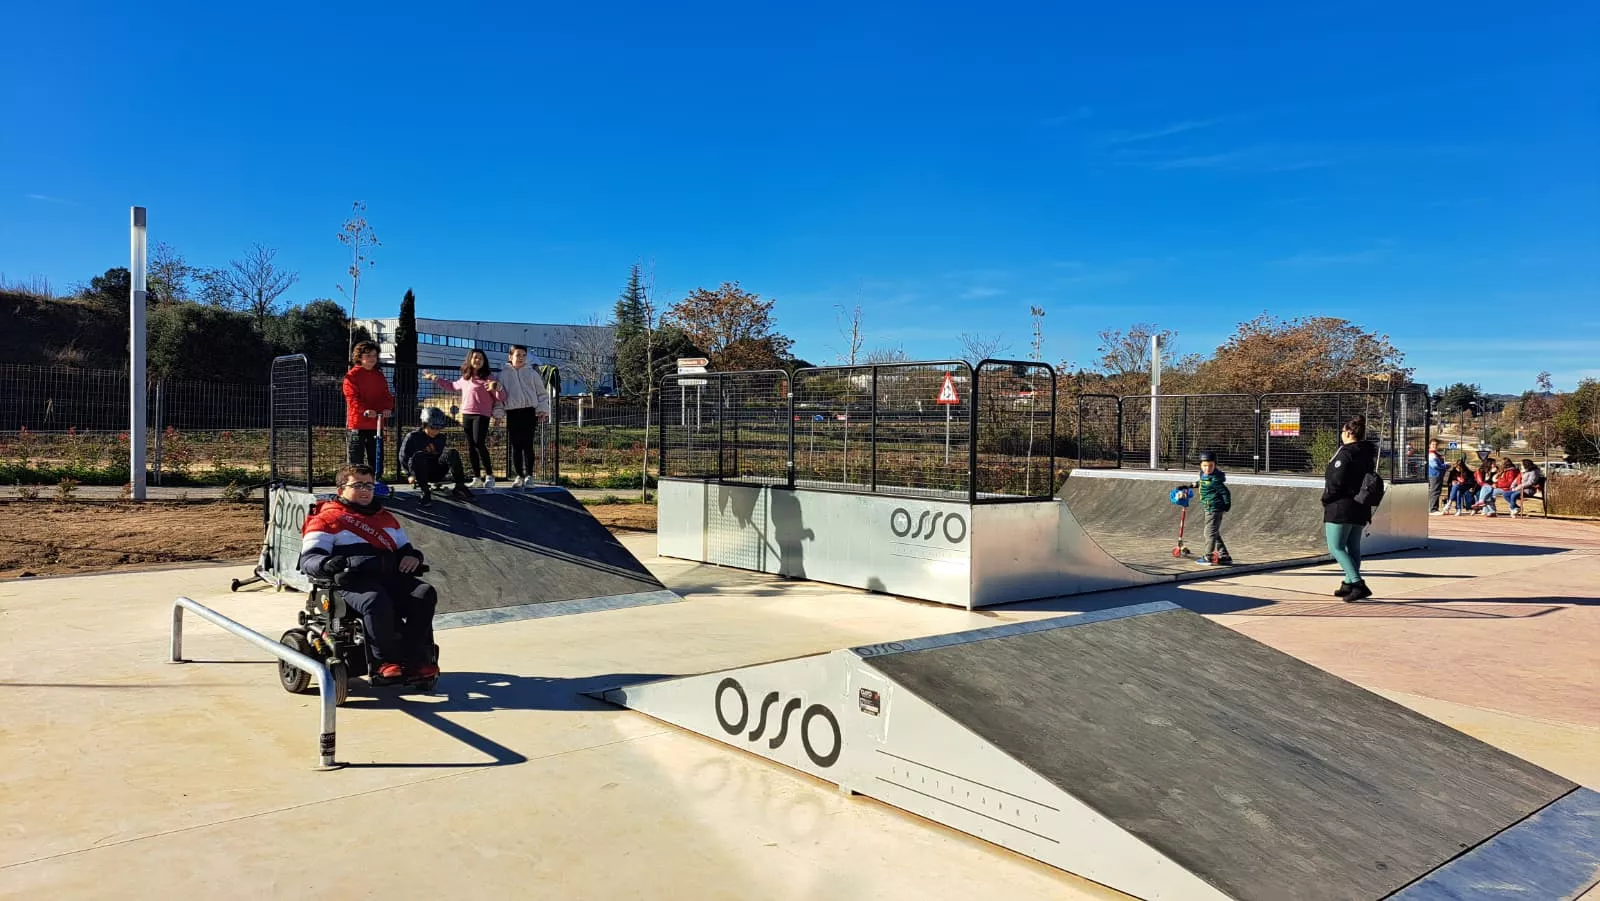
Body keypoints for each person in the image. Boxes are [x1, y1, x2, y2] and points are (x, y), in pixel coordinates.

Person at [298, 464, 439, 683]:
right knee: (375, 600)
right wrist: (328, 563)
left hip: (389, 578)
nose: (365, 490)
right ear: (341, 489)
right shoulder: (326, 519)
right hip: (351, 582)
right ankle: (384, 663)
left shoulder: (386, 519)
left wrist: (413, 557)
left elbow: (406, 550)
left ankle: (417, 661)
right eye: (358, 485)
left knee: (423, 593)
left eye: (370, 486)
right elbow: (309, 560)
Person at [423, 349, 505, 487]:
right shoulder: (465, 378)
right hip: (467, 414)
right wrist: (434, 378)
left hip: (482, 415)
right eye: (475, 358)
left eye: (480, 358)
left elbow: (501, 397)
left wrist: (497, 388)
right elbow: (452, 386)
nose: (477, 360)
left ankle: (490, 476)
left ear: (484, 361)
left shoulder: (489, 378)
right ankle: (477, 478)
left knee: (479, 443)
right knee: (471, 446)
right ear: (469, 360)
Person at [1323, 414, 1379, 601]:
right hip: (1360, 505)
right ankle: (1348, 582)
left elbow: (1337, 480)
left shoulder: (1346, 453)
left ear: (1348, 432)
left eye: (1342, 432)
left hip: (1341, 506)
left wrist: (1327, 498)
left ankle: (1357, 582)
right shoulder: (1366, 453)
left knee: (1336, 546)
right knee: (1353, 546)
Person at [498, 345, 552, 488]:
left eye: (523, 355)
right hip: (513, 413)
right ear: (510, 357)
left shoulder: (532, 373)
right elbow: (499, 397)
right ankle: (518, 476)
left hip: (529, 412)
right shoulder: (503, 374)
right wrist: (498, 414)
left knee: (528, 445)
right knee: (515, 446)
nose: (521, 358)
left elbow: (542, 393)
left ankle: (529, 476)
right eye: (518, 355)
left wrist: (542, 409)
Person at [399, 408, 474, 505]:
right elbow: (403, 456)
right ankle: (425, 491)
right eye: (432, 428)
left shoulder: (441, 438)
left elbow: (442, 457)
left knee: (451, 452)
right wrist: (409, 474)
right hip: (419, 472)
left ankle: (460, 486)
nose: (435, 431)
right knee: (419, 455)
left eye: (438, 429)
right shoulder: (413, 437)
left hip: (436, 470)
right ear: (425, 424)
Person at [342, 341, 394, 473]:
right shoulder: (351, 376)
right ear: (359, 357)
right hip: (357, 423)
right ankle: (355, 483)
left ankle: (376, 482)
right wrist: (364, 410)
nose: (372, 358)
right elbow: (352, 398)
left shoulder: (379, 375)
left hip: (376, 423)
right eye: (368, 355)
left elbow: (386, 395)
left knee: (376, 457)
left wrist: (388, 408)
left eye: (374, 356)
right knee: (355, 457)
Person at [1188, 450, 1233, 565]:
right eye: (1204, 465)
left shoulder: (1215, 480)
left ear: (1215, 465)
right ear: (1200, 465)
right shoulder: (1204, 476)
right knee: (1214, 532)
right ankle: (1225, 555)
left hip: (1214, 508)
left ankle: (1208, 556)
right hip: (1209, 507)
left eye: (1211, 466)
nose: (1207, 468)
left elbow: (1225, 492)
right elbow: (1202, 482)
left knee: (1209, 533)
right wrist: (1194, 485)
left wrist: (1227, 504)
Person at [1425, 439, 1450, 515]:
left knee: (1436, 491)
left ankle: (1435, 508)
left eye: (1436, 445)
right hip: (1434, 475)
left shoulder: (1435, 454)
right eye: (1433, 444)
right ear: (1429, 445)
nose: (1434, 446)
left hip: (1437, 475)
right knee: (1435, 491)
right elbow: (1435, 465)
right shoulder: (1431, 455)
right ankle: (1433, 509)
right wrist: (1446, 466)